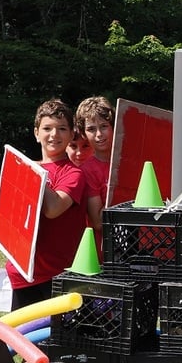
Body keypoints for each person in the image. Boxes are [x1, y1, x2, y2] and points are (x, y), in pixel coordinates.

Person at [5, 99, 87, 310]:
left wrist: (33, 174)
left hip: (54, 275)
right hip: (21, 273)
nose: (54, 135)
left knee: (48, 340)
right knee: (20, 339)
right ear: (36, 133)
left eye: (62, 129)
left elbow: (53, 209)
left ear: (71, 134)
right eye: (47, 128)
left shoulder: (74, 174)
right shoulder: (24, 168)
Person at [76, 96, 115, 253]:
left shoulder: (131, 159)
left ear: (113, 126)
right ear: (83, 133)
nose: (99, 134)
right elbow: (98, 222)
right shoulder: (87, 171)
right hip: (105, 250)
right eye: (91, 129)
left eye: (104, 126)